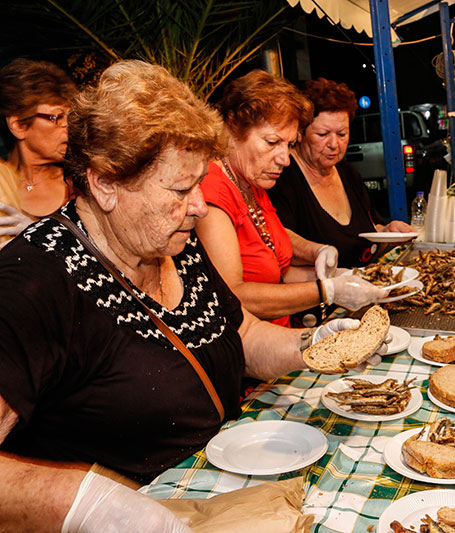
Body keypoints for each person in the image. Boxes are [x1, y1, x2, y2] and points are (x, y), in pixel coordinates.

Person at [0, 60, 387, 531]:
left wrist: (314, 346)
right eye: (181, 188)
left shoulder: (170, 243)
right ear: (105, 183)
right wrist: (88, 506)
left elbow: (240, 333)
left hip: (224, 491)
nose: (199, 206)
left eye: (199, 184)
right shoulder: (31, 283)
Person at [195, 71, 386, 328]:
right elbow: (234, 295)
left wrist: (332, 267)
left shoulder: (253, 184)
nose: (284, 159)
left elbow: (277, 270)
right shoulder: (213, 191)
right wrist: (326, 291)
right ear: (232, 130)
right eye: (272, 142)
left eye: (288, 144)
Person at [268, 78, 414, 268]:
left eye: (342, 134)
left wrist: (388, 231)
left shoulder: (348, 172)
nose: (334, 144)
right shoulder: (283, 177)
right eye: (322, 134)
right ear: (300, 133)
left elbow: (371, 228)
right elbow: (278, 240)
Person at [0, 58, 77, 247]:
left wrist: (38, 235)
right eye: (56, 117)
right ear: (18, 125)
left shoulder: (82, 185)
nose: (68, 126)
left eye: (70, 116)